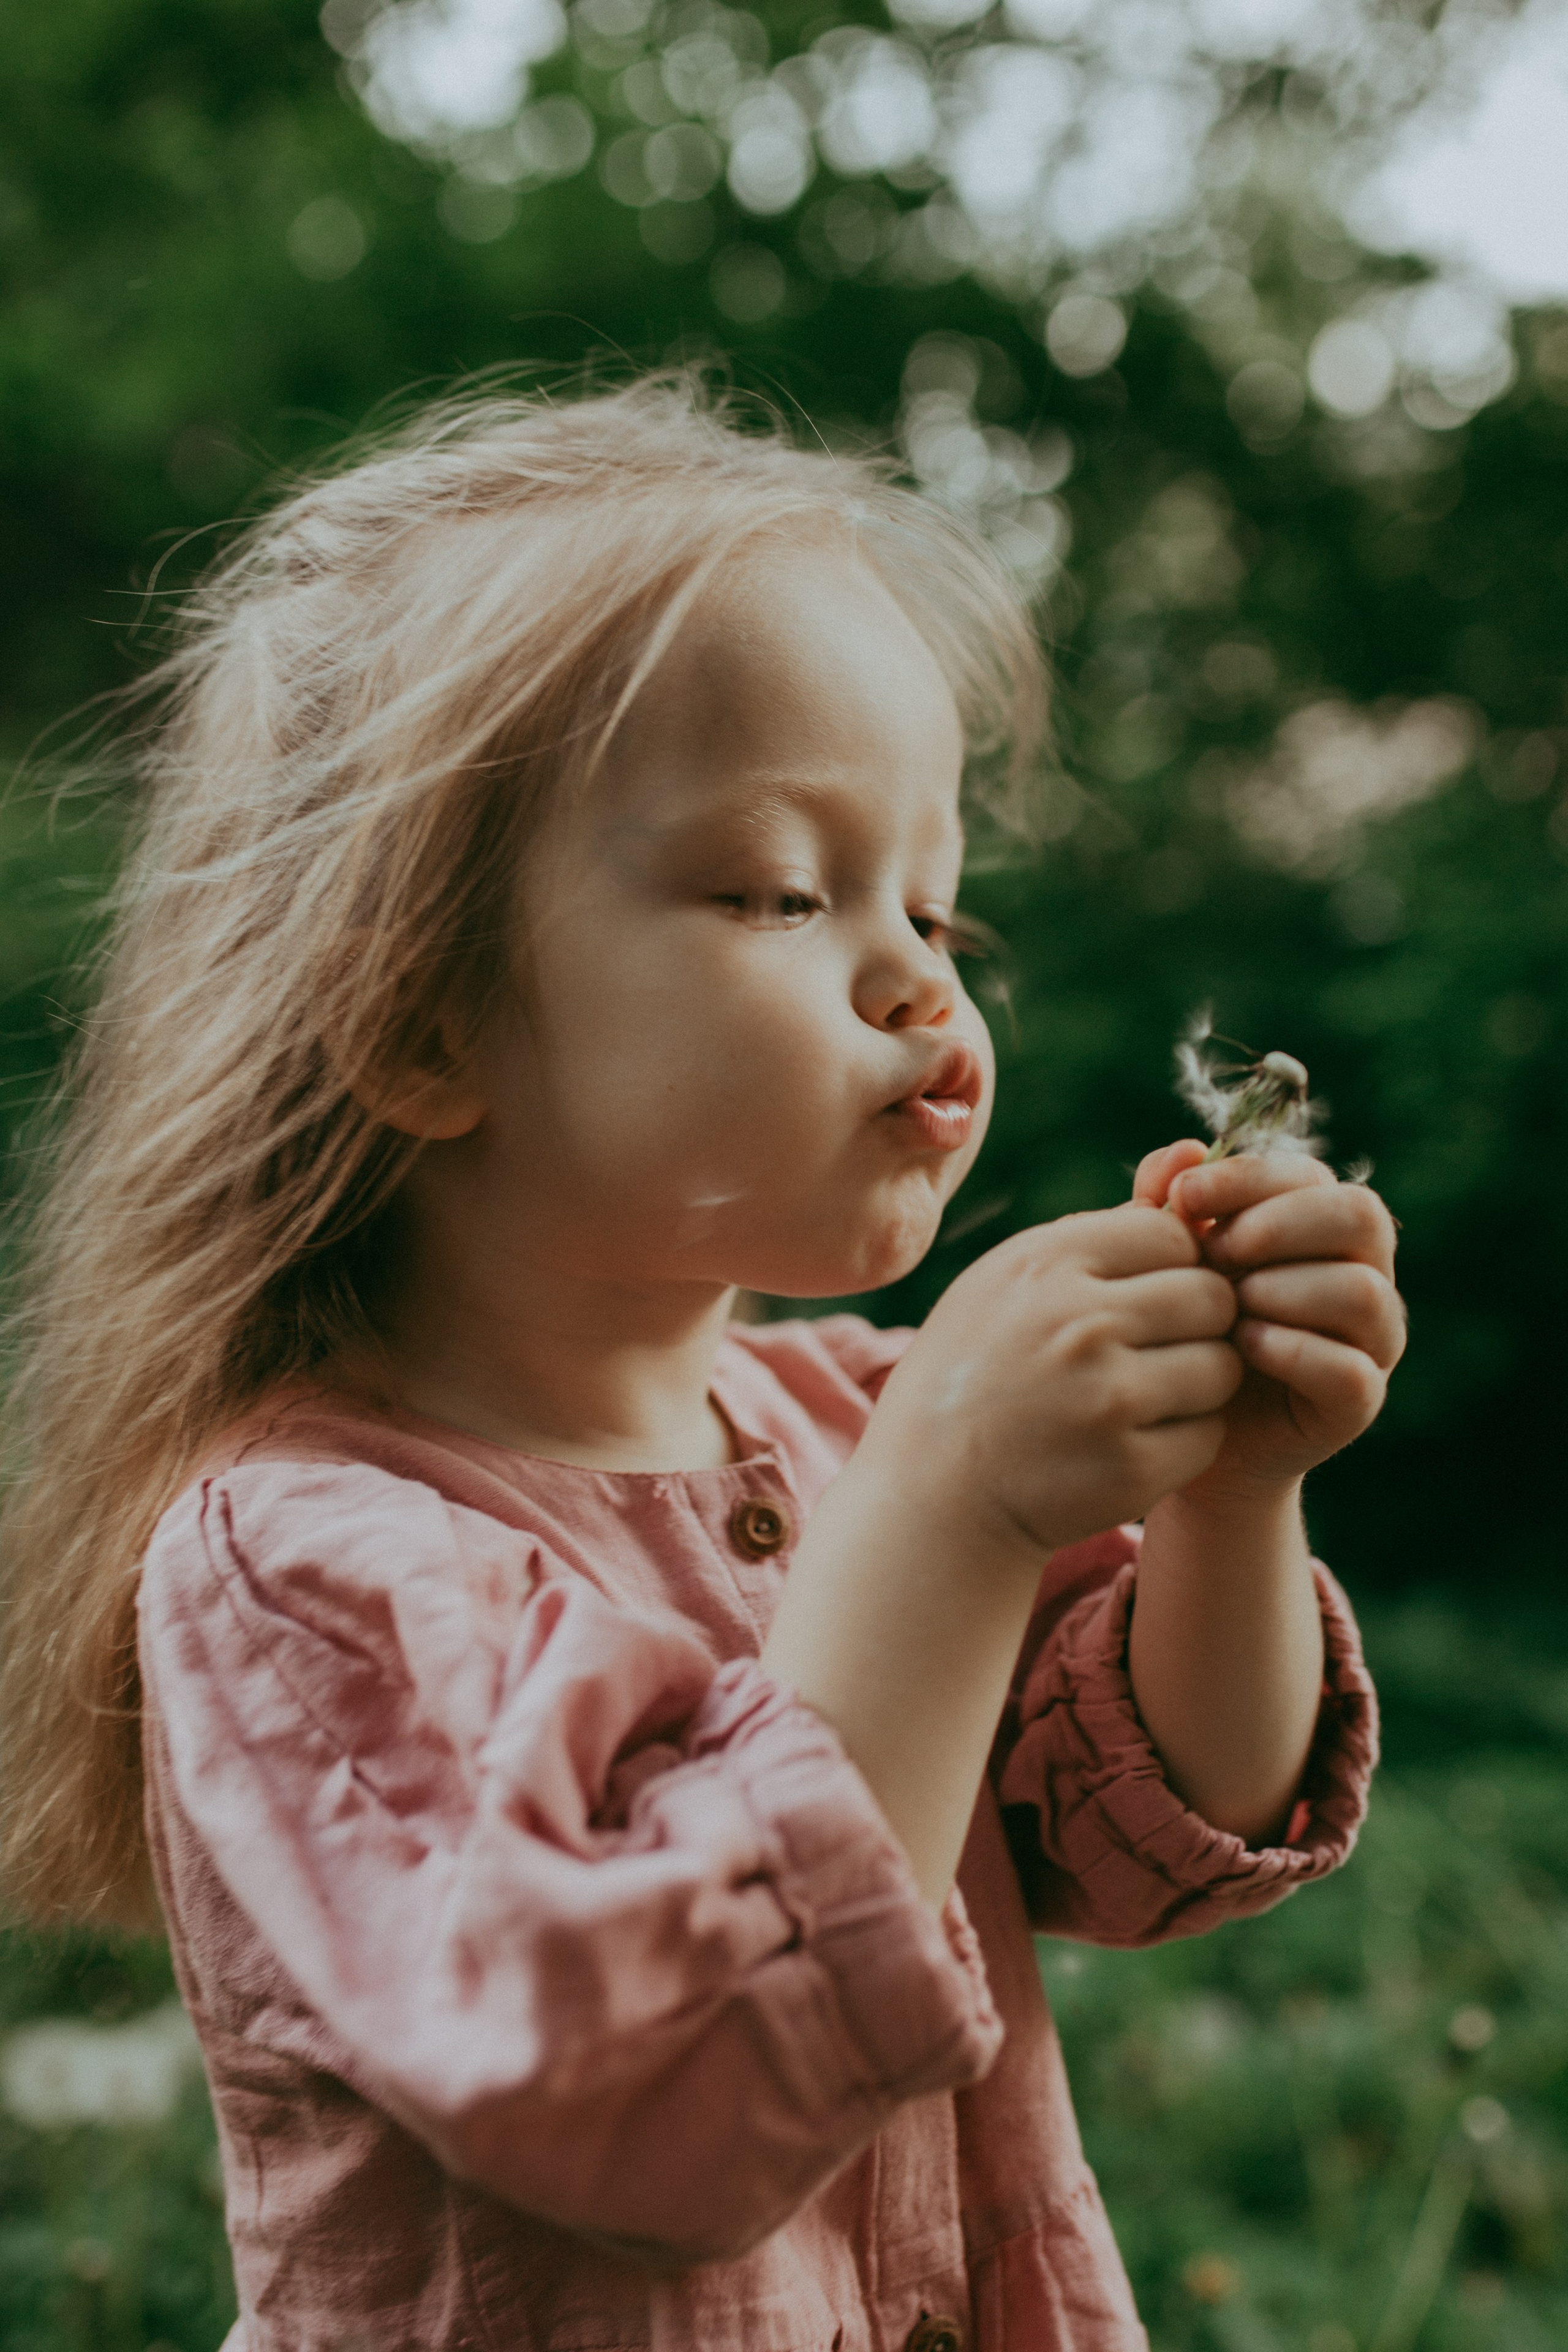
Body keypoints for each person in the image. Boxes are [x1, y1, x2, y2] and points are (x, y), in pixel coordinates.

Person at [0, 380, 1400, 2352]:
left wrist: (1231, 1499)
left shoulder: (858, 1421)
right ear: (417, 1021)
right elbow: (666, 2098)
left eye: (935, 903)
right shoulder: (302, 1566)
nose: (921, 978)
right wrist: (947, 1515)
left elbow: (1164, 1833)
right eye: (779, 892)